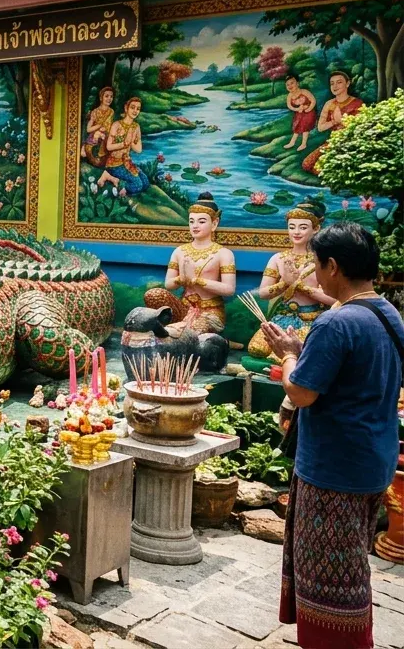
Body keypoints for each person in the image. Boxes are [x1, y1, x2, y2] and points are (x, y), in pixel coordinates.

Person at [261, 223, 404, 649]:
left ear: (334, 267)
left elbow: (301, 393)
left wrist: (289, 355)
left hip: (334, 469)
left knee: (331, 575)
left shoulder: (336, 322)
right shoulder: (389, 313)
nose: (315, 274)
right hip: (373, 459)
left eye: (317, 265)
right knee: (351, 562)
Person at [248, 198, 333, 359]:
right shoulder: (278, 258)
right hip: (283, 317)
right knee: (256, 349)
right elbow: (263, 293)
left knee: (293, 353)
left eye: (303, 227)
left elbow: (332, 299)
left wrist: (298, 285)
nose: (296, 232)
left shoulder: (322, 260)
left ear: (316, 229)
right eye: (292, 227)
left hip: (311, 319)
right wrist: (284, 284)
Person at [144, 192, 236, 334]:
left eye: (201, 221)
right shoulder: (180, 251)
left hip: (210, 311)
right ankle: (171, 329)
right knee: (153, 294)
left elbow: (229, 289)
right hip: (184, 307)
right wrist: (181, 279)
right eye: (191, 221)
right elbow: (169, 284)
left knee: (192, 333)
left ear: (214, 223)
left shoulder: (223, 253)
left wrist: (197, 281)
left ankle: (180, 333)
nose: (195, 226)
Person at [97, 97, 148, 194]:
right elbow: (109, 147)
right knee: (138, 185)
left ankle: (113, 178)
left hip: (126, 162)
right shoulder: (116, 125)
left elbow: (139, 150)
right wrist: (124, 143)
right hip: (114, 164)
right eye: (132, 107)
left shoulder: (136, 127)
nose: (135, 111)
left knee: (145, 182)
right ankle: (109, 177)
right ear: (126, 108)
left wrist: (131, 142)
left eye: (138, 109)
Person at [84, 87, 116, 167]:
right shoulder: (95, 112)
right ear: (101, 98)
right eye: (106, 96)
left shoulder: (111, 111)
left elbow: (109, 127)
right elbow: (88, 129)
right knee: (86, 151)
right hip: (95, 137)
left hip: (107, 136)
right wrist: (99, 126)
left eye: (111, 96)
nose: (109, 99)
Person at [284, 75, 317, 152]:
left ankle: (303, 143)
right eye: (287, 85)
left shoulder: (304, 92)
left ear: (297, 83)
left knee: (305, 126)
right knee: (297, 126)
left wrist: (309, 109)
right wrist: (297, 109)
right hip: (299, 113)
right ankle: (292, 142)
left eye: (292, 83)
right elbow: (289, 106)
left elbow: (313, 100)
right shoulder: (290, 95)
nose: (290, 86)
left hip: (309, 113)